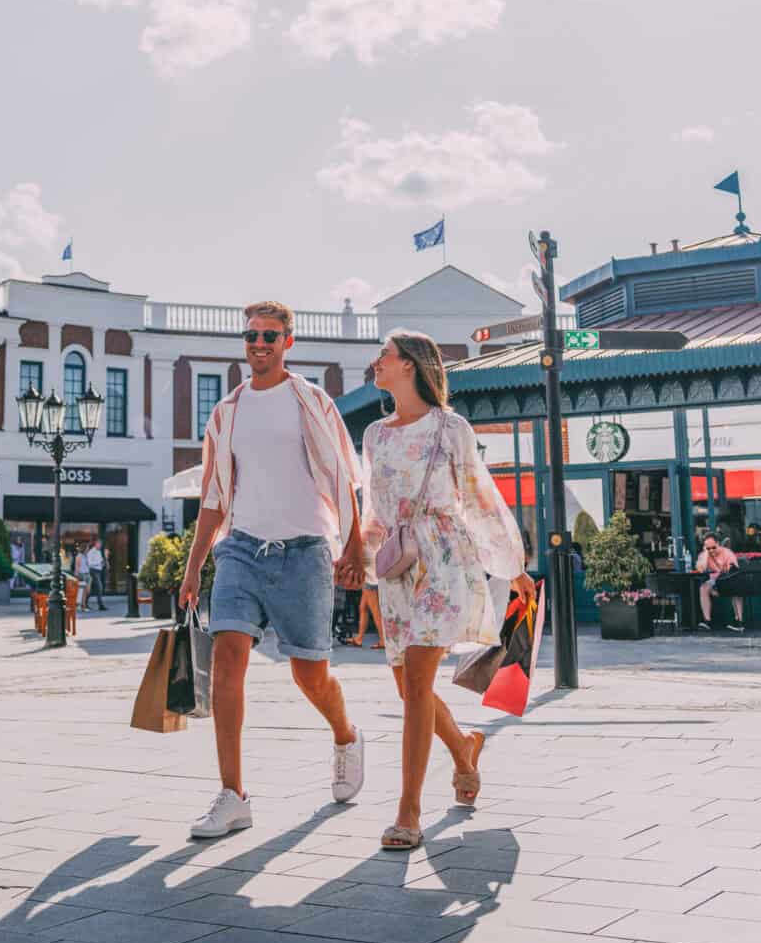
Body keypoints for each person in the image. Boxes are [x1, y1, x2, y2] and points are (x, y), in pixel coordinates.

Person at [179, 301, 366, 840]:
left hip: (305, 552)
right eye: (251, 336)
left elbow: (343, 478)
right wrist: (194, 568)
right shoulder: (227, 413)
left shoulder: (311, 401)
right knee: (228, 657)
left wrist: (352, 546)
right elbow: (213, 496)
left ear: (288, 341)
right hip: (239, 550)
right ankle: (233, 795)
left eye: (269, 335)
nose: (258, 344)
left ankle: (346, 734)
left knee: (310, 674)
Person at [358, 331, 534, 851]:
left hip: (443, 560)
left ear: (410, 365)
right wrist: (363, 565)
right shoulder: (375, 434)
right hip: (396, 566)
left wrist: (511, 566)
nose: (376, 363)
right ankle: (464, 748)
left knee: (415, 682)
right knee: (406, 686)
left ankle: (408, 812)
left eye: (383, 356)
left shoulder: (450, 427)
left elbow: (480, 500)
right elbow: (373, 508)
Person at [696, 532, 741, 631]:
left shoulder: (727, 552)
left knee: (736, 589)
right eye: (708, 548)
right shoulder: (704, 555)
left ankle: (738, 621)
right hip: (714, 582)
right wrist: (706, 554)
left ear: (718, 544)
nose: (711, 550)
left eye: (713, 547)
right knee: (703, 588)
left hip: (728, 580)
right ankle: (707, 621)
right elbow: (701, 569)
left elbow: (732, 570)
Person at [343, 584, 384, 649]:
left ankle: (383, 640)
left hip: (370, 581)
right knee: (363, 607)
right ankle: (359, 638)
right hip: (369, 580)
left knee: (375, 610)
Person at [86, 537, 108, 609]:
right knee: (99, 587)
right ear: (96, 544)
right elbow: (90, 563)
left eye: (101, 544)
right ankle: (100, 605)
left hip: (99, 571)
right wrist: (99, 563)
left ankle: (85, 602)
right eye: (99, 544)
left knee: (91, 589)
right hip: (93, 571)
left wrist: (103, 563)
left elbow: (100, 561)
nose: (100, 545)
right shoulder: (91, 552)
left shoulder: (99, 552)